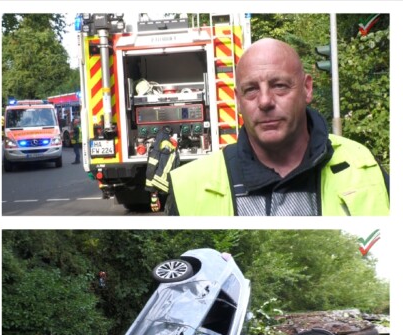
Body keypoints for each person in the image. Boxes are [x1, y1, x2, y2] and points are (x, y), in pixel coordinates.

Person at [166, 38, 389, 216]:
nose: (264, 102)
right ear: (238, 101)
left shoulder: (363, 167)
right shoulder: (189, 186)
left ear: (307, 89)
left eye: (279, 86)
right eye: (251, 89)